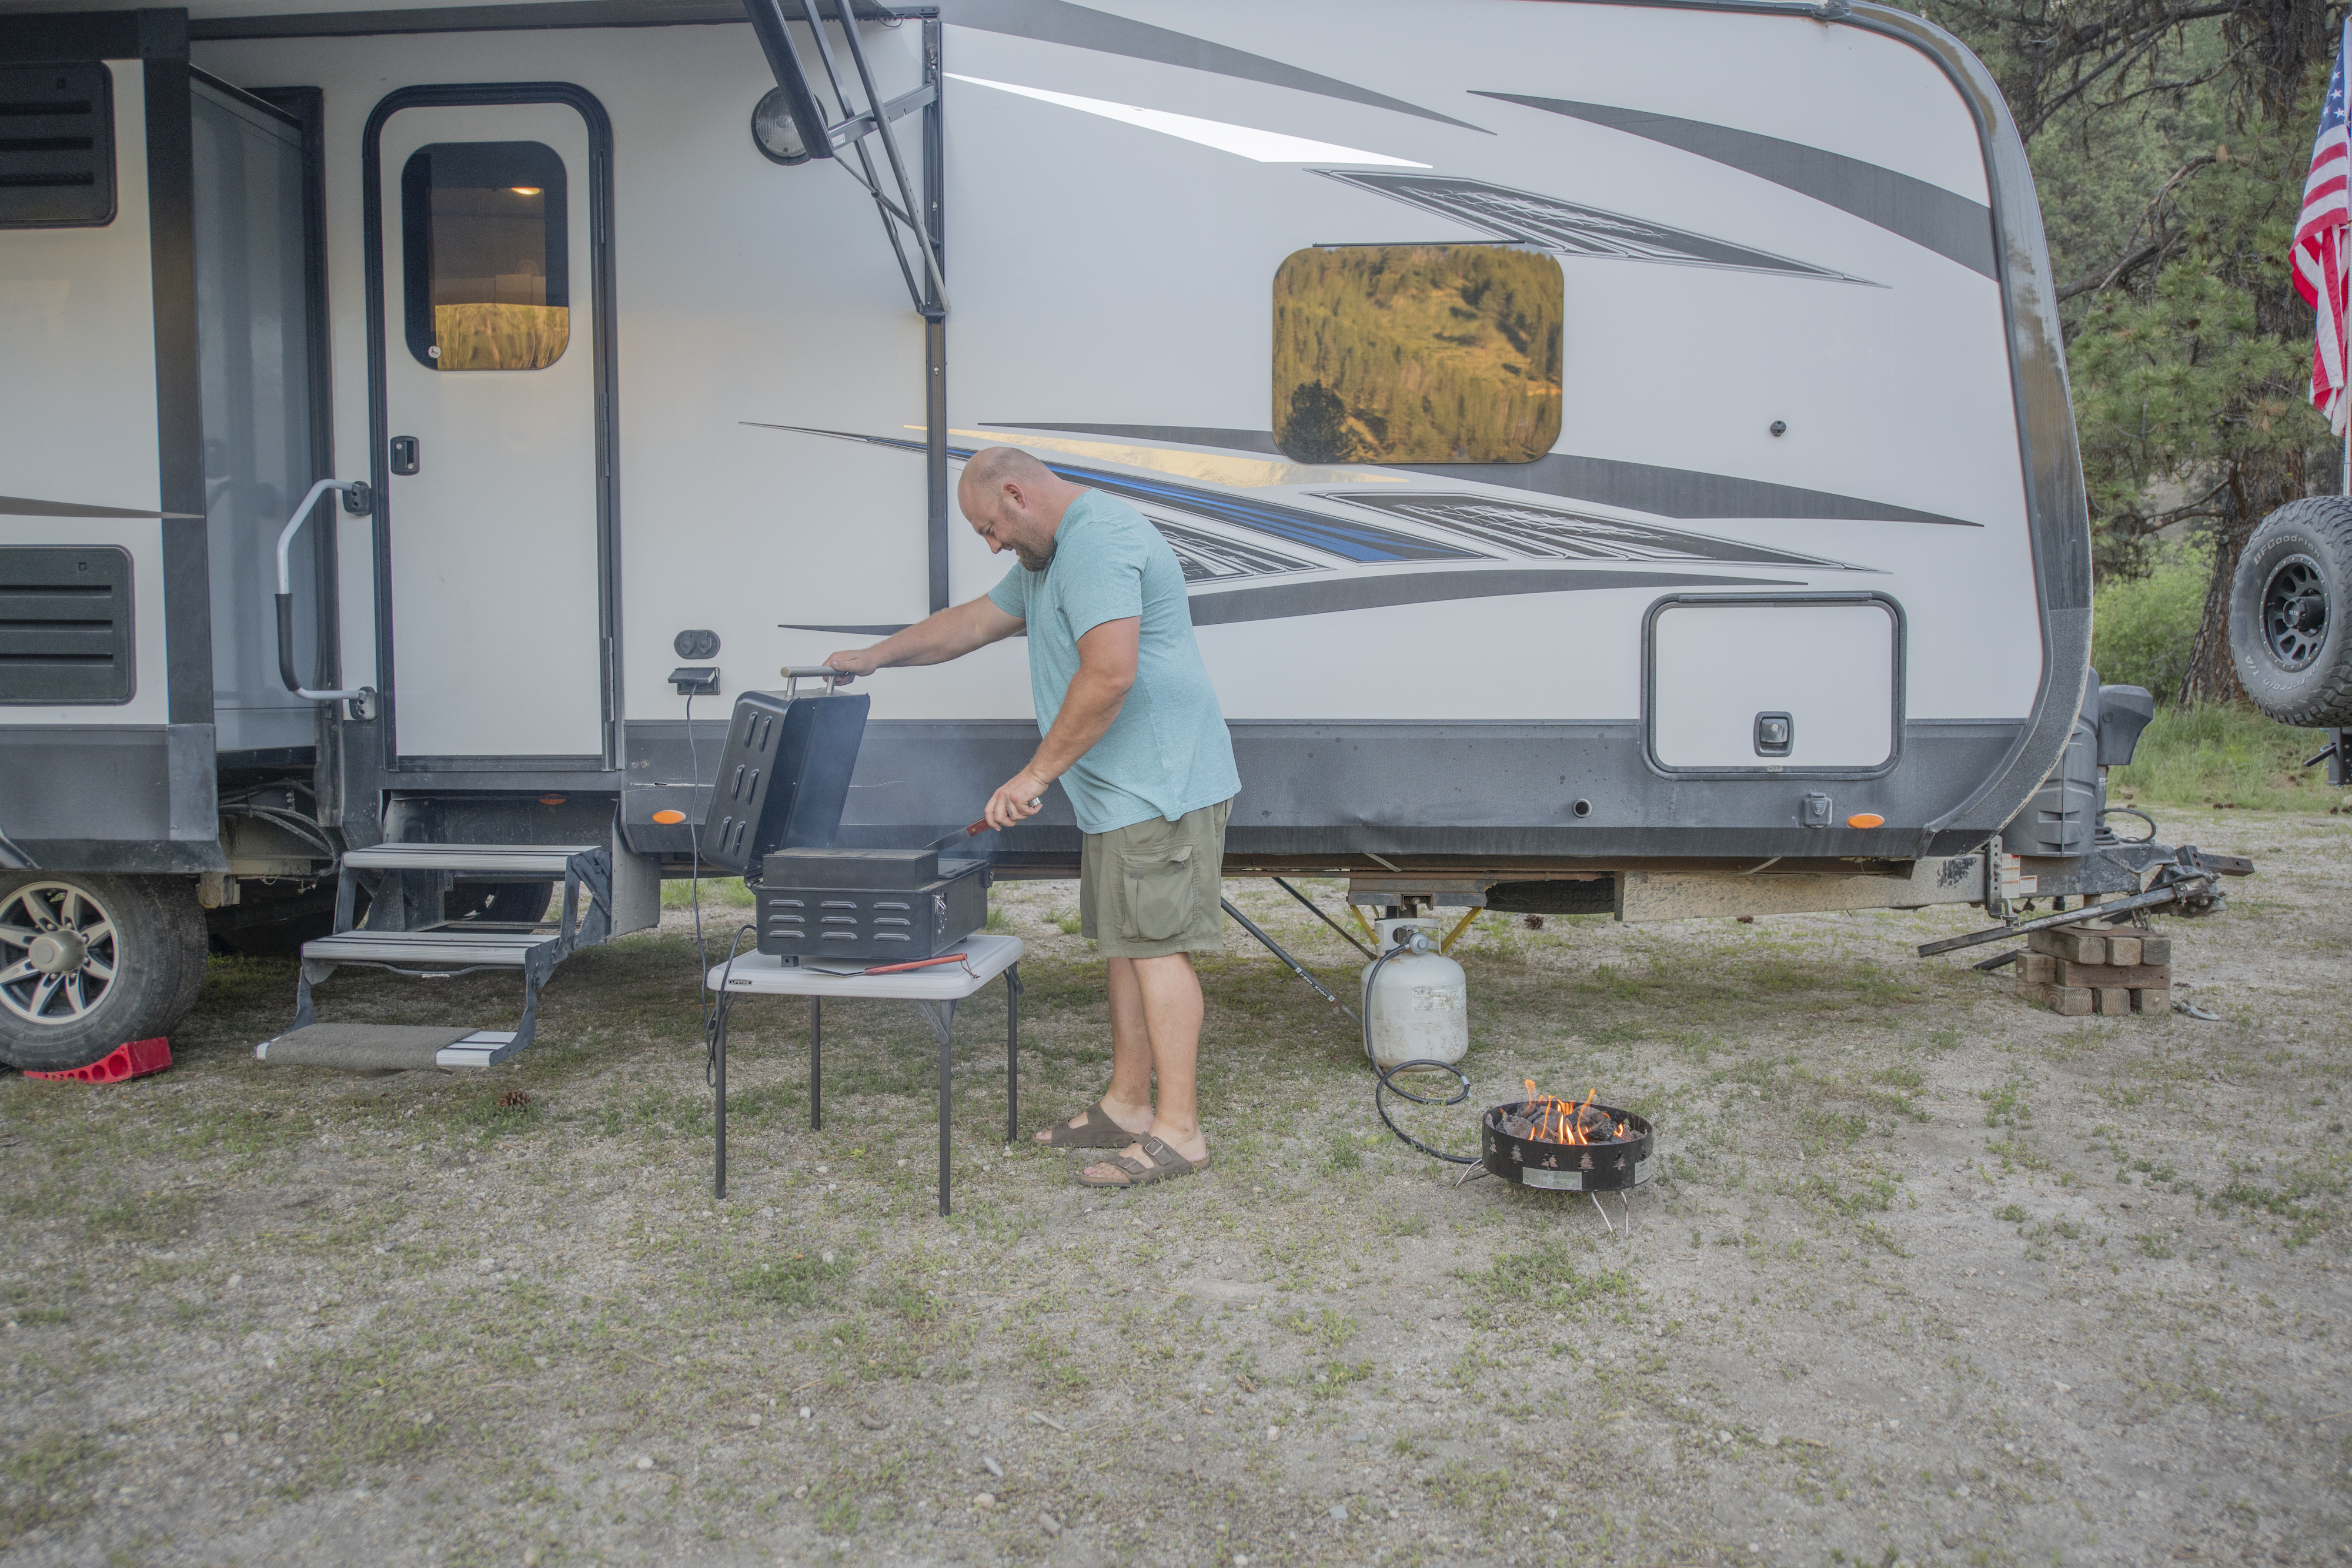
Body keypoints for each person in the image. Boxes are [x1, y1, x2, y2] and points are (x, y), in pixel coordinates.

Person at [823, 447, 1240, 1188]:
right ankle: (1127, 1105)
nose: (991, 546)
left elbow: (1111, 672)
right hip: (1122, 789)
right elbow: (972, 623)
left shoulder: (1097, 542)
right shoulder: (1049, 555)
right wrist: (875, 657)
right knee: (1126, 943)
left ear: (1016, 494)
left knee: (1156, 947)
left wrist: (1035, 773)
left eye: (990, 528)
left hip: (1160, 783)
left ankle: (1180, 1131)